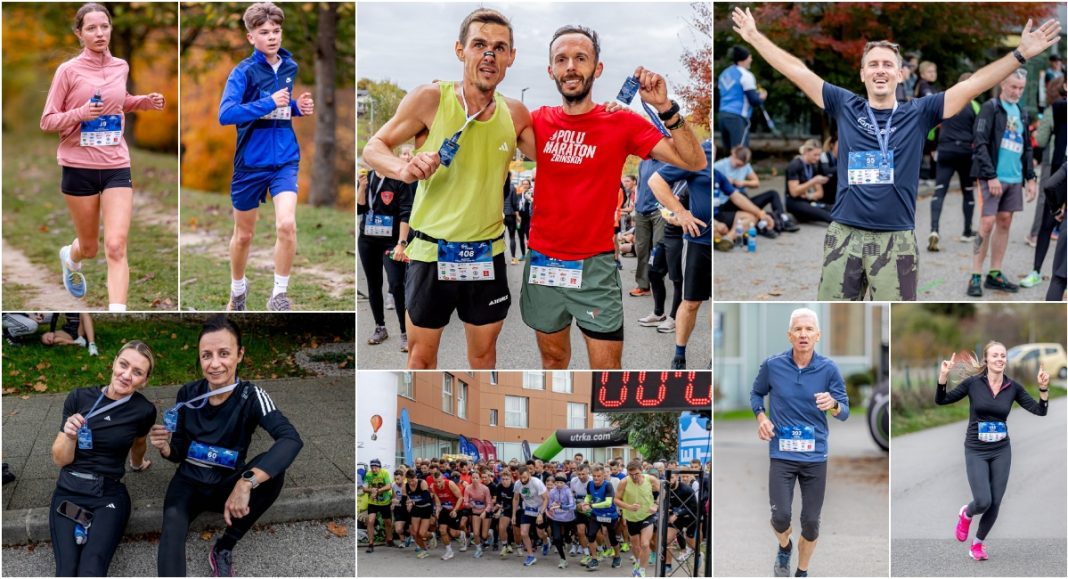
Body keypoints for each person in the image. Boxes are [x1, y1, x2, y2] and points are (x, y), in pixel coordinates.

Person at [730, 6, 1062, 300]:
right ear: (862, 74)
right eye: (872, 64)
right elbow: (798, 71)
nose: (880, 69)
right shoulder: (846, 105)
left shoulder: (920, 112)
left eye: (888, 64)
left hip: (896, 239)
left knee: (893, 319)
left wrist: (1019, 55)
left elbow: (972, 84)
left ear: (900, 74)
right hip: (844, 234)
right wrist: (756, 38)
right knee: (834, 319)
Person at [521, 25, 705, 369]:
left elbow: (694, 161)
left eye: (580, 58)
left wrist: (666, 107)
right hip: (543, 263)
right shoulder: (537, 121)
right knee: (553, 359)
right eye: (562, 59)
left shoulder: (620, 122)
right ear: (551, 70)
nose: (571, 66)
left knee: (607, 372)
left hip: (595, 266)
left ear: (597, 68)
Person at [363, 8, 535, 369]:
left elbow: (562, 156)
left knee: (484, 357)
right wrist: (404, 168)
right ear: (461, 50)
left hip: (486, 256)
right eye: (480, 44)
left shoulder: (517, 113)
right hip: (430, 253)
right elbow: (373, 148)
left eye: (500, 47)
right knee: (421, 359)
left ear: (511, 57)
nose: (489, 55)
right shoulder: (431, 98)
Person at [152, 317, 303, 576]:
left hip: (228, 484)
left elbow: (290, 439)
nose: (215, 364)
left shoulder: (251, 395)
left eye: (224, 353)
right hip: (188, 483)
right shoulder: (188, 394)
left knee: (273, 473)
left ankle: (224, 547)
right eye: (206, 355)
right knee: (172, 532)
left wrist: (246, 483)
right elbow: (178, 451)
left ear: (240, 354)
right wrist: (166, 448)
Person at [41, 2, 166, 311]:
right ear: (79, 33)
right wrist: (82, 113)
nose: (100, 33)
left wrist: (143, 102)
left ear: (111, 29)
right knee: (90, 247)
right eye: (91, 28)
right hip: (78, 167)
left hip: (115, 165)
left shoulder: (121, 66)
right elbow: (47, 120)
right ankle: (71, 256)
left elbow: (118, 101)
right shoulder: (68, 71)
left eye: (104, 26)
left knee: (115, 245)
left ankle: (117, 310)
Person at [218, 2, 313, 312]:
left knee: (286, 224)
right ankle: (238, 290)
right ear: (250, 37)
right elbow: (227, 114)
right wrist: (267, 102)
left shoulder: (290, 67)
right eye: (264, 32)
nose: (272, 37)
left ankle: (279, 295)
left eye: (276, 31)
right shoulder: (242, 72)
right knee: (243, 235)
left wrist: (297, 107)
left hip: (285, 159)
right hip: (250, 163)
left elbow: (281, 108)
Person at [749, 307, 849, 577]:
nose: (803, 334)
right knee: (780, 517)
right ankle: (784, 547)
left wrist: (834, 405)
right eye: (798, 329)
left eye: (808, 330)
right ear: (789, 335)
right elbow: (756, 394)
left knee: (812, 523)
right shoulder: (773, 365)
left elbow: (845, 410)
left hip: (815, 456)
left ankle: (802, 571)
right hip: (781, 454)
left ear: (818, 335)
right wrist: (761, 418)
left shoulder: (828, 369)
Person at [49, 341, 156, 576]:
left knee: (93, 567)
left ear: (145, 381)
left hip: (108, 494)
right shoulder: (79, 397)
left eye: (137, 372)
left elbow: (139, 444)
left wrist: (138, 464)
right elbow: (60, 460)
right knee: (66, 570)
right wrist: (69, 435)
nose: (126, 375)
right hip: (70, 490)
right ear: (114, 363)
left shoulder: (144, 410)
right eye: (123, 365)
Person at [936, 344, 1050, 561]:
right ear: (986, 360)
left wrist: (1043, 389)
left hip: (1001, 450)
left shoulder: (1012, 387)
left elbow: (1040, 411)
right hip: (975, 448)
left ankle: (977, 544)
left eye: (1003, 356)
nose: (1000, 359)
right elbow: (941, 400)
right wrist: (943, 376)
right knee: (982, 501)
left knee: (995, 502)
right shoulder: (973, 384)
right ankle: (966, 513)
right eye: (995, 355)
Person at [968, 69, 1039, 297]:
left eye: (1021, 88)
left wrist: (1030, 178)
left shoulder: (1021, 112)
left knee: (1005, 223)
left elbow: (1027, 147)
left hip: (1014, 178)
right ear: (1002, 84)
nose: (1017, 92)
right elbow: (979, 143)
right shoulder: (990, 108)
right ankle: (975, 275)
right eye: (1013, 87)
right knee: (987, 223)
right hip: (993, 177)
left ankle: (994, 274)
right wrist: (990, 176)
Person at [649, 140, 713, 369]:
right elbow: (656, 181)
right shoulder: (699, 151)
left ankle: (715, 358)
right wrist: (681, 213)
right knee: (692, 302)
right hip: (699, 241)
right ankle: (679, 354)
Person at [357, 144, 415, 352]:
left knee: (397, 284)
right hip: (367, 239)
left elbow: (405, 214)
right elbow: (360, 208)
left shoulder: (399, 180)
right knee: (374, 285)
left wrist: (401, 243)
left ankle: (405, 332)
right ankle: (380, 327)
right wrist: (362, 187)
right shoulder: (368, 177)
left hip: (391, 241)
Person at [1021, 77, 1066, 288]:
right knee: (1048, 224)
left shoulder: (1054, 109)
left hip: (1058, 171)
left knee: (1050, 225)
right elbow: (1040, 139)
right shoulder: (1057, 108)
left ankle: (1044, 274)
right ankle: (1036, 271)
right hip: (1059, 173)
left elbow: (1042, 139)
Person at [928, 72, 980, 250]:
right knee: (968, 191)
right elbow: (979, 131)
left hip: (945, 150)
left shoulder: (945, 101)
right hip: (965, 152)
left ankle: (934, 230)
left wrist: (933, 148)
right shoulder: (974, 105)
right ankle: (967, 232)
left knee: (939, 191)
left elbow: (931, 130)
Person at [713, 145, 796, 236]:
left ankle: (781, 219)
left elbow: (756, 183)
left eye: (742, 166)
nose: (740, 167)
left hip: (742, 199)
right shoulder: (718, 167)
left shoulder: (745, 166)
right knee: (743, 196)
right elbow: (734, 196)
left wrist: (742, 183)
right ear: (733, 155)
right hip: (726, 202)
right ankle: (765, 226)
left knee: (773, 193)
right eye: (738, 164)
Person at [614, 460, 661, 578]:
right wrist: (628, 507)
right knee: (635, 545)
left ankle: (642, 571)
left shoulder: (651, 479)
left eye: (637, 474)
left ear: (642, 471)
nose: (634, 477)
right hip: (631, 517)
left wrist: (656, 505)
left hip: (647, 515)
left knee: (645, 544)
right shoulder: (624, 482)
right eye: (631, 474)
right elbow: (616, 499)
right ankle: (638, 563)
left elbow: (664, 492)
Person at [629, 159, 667, 297]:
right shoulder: (643, 162)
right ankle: (643, 286)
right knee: (641, 249)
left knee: (657, 248)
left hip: (659, 211)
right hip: (641, 212)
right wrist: (637, 206)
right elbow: (639, 186)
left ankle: (657, 284)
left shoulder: (667, 161)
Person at [718, 45, 766, 150]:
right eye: (750, 57)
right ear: (743, 59)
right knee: (740, 153)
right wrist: (762, 96)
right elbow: (754, 101)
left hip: (722, 116)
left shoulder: (724, 74)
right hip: (738, 117)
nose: (751, 59)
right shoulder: (746, 75)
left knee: (730, 153)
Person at [583, 464, 623, 569]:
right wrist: (585, 503)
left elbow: (608, 503)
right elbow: (588, 496)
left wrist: (591, 505)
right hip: (596, 514)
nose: (596, 478)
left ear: (603, 476)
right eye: (594, 475)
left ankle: (617, 556)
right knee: (591, 535)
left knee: (612, 538)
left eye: (599, 476)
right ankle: (594, 559)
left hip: (610, 515)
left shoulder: (608, 485)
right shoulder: (590, 484)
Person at [785, 140, 833, 224]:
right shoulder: (795, 165)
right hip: (793, 202)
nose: (817, 158)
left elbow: (820, 193)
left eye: (819, 155)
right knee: (826, 215)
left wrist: (809, 195)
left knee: (833, 208)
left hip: (806, 199)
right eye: (815, 155)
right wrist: (813, 181)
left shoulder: (812, 166)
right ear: (807, 152)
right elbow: (794, 192)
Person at [513, 465, 549, 567]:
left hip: (539, 509)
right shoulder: (517, 484)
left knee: (540, 534)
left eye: (524, 477)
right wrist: (514, 514)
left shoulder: (536, 482)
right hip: (527, 509)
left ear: (529, 474)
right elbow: (516, 499)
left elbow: (546, 498)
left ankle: (546, 541)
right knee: (523, 533)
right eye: (520, 478)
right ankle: (530, 556)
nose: (522, 480)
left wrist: (541, 514)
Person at [430, 466, 463, 560]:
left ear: (443, 479)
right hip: (445, 509)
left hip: (455, 508)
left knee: (453, 533)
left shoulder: (450, 484)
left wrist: (455, 510)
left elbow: (460, 498)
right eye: (436, 482)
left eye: (439, 481)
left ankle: (461, 534)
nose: (438, 484)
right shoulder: (434, 487)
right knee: (442, 530)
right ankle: (449, 551)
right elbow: (438, 502)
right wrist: (437, 510)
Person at [545, 474, 577, 569]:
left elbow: (573, 505)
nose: (559, 484)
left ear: (564, 483)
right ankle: (563, 559)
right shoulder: (552, 491)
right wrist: (551, 506)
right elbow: (549, 504)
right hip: (556, 518)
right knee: (557, 538)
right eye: (557, 482)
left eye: (561, 483)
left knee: (567, 537)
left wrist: (561, 506)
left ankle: (569, 541)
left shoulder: (568, 491)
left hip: (568, 518)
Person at [363, 459, 394, 552]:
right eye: (372, 467)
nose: (374, 469)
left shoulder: (384, 473)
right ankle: (370, 544)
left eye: (376, 467)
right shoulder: (368, 475)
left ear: (380, 467)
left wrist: (378, 491)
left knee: (387, 522)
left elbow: (389, 486)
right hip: (373, 502)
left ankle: (389, 540)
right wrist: (371, 490)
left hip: (384, 502)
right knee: (370, 520)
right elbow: (364, 489)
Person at [402, 469, 434, 558]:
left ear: (416, 477)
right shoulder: (405, 486)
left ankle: (431, 535)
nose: (411, 483)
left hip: (426, 508)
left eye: (413, 480)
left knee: (422, 533)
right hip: (416, 509)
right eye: (409, 481)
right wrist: (406, 505)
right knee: (414, 533)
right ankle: (424, 550)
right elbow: (403, 501)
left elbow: (427, 499)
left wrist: (413, 503)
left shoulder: (422, 483)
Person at [462, 468, 493, 558]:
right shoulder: (468, 488)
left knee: (484, 535)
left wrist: (485, 511)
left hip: (485, 511)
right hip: (475, 512)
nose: (474, 480)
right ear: (471, 479)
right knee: (475, 533)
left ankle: (490, 533)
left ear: (479, 479)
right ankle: (478, 549)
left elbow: (490, 503)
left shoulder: (485, 488)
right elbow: (465, 502)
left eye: (476, 478)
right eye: (473, 478)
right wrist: (470, 505)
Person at [503, 178, 524, 265]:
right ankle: (513, 258)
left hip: (500, 216)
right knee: (512, 237)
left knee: (501, 238)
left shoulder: (498, 187)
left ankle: (502, 259)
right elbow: (515, 203)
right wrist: (517, 215)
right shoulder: (512, 187)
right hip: (510, 215)